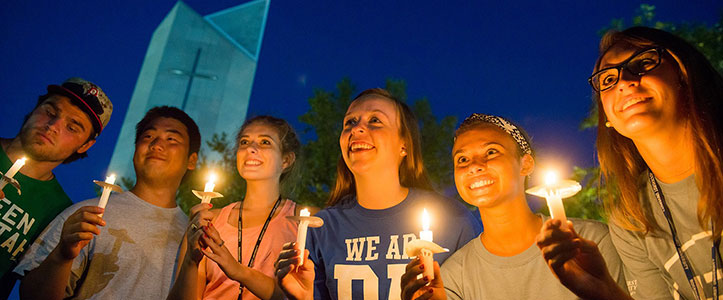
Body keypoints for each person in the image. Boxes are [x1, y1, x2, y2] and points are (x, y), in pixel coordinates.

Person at [536, 26, 723, 300]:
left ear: (684, 75)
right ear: (608, 114)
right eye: (608, 78)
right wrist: (605, 290)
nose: (624, 81)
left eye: (644, 63)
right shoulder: (631, 216)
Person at [275, 88, 482, 300]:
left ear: (404, 145)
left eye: (375, 120)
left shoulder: (454, 220)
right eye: (350, 123)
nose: (357, 129)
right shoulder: (321, 228)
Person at [399, 113, 624, 300]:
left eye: (491, 152)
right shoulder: (453, 277)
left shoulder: (590, 243)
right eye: (462, 160)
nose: (475, 166)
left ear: (525, 164)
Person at [15, 106, 200, 299]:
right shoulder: (86, 216)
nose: (156, 145)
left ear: (191, 160)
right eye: (147, 137)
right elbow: (31, 295)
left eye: (171, 139)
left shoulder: (195, 237)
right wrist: (62, 255)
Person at [168, 115, 310, 300]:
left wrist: (239, 271)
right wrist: (190, 261)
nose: (251, 148)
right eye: (244, 142)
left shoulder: (303, 222)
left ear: (286, 160)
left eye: (265, 142)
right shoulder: (209, 221)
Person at [0, 77, 112, 298]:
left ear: (85, 145)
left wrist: (64, 255)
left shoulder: (61, 212)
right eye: (50, 112)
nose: (52, 127)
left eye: (72, 127)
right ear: (35, 108)